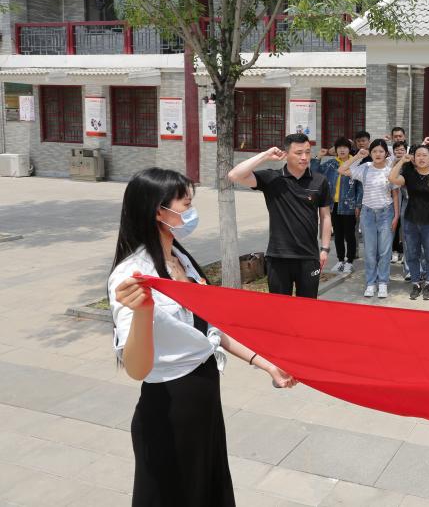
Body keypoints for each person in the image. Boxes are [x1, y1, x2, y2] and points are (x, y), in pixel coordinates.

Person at [109, 168, 296, 504]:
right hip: (170, 408)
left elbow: (210, 329)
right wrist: (143, 311)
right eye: (186, 203)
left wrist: (266, 364)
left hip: (204, 400)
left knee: (208, 489)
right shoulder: (133, 276)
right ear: (158, 211)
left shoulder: (181, 258)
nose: (192, 211)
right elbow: (137, 369)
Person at [228, 134, 332, 299]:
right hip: (278, 257)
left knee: (307, 308)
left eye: (307, 152)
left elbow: (325, 216)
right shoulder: (272, 178)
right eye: (298, 153)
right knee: (279, 308)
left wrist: (325, 249)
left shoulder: (319, 180)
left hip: (309, 257)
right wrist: (265, 155)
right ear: (286, 154)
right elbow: (234, 175)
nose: (304, 157)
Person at [339, 139, 400, 298]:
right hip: (367, 215)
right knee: (370, 251)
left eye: (381, 151)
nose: (378, 154)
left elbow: (395, 194)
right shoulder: (365, 168)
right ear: (370, 153)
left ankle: (383, 282)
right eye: (374, 151)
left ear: (386, 154)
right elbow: (342, 169)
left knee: (384, 251)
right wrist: (358, 156)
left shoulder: (390, 170)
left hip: (386, 214)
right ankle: (371, 283)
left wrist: (396, 216)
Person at [389, 146, 429, 300]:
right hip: (411, 221)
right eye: (418, 155)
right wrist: (401, 161)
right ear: (414, 158)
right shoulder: (409, 174)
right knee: (412, 254)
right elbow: (392, 178)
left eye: (425, 155)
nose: (421, 158)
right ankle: (416, 283)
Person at [312, 137, 361, 275]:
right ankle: (340, 260)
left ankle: (349, 261)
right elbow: (314, 172)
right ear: (336, 150)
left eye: (345, 147)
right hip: (333, 205)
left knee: (350, 234)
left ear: (349, 149)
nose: (342, 150)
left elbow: (360, 187)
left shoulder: (356, 164)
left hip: (349, 205)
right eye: (339, 147)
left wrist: (358, 204)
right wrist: (318, 157)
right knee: (338, 234)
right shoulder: (331, 164)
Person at [391, 141, 408, 270]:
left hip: (406, 198)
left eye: (402, 150)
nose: (399, 152)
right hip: (394, 197)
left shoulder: (409, 163)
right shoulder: (390, 163)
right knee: (394, 226)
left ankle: (405, 254)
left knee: (405, 226)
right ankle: (394, 251)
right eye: (397, 150)